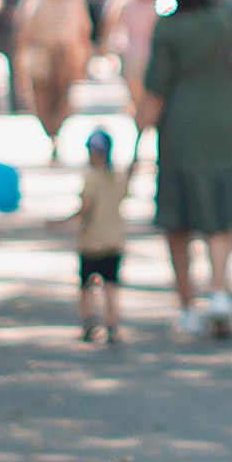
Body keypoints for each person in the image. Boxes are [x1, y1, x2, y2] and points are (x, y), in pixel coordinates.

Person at [139, 0, 232, 340]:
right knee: (219, 216)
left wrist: (139, 130)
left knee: (179, 220)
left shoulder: (170, 25)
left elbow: (155, 87)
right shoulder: (227, 12)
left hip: (181, 124)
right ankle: (221, 294)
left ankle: (188, 306)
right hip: (228, 119)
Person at [53, 126, 130, 345]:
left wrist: (61, 223)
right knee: (111, 284)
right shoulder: (117, 177)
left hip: (91, 241)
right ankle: (112, 322)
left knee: (86, 285)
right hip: (114, 239)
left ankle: (88, 321)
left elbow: (85, 208)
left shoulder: (91, 179)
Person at [17, 0, 94, 161]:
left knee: (63, 99)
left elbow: (84, 31)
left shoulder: (75, 0)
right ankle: (50, 134)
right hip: (42, 53)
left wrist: (84, 60)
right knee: (41, 98)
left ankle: (56, 134)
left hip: (66, 53)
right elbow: (25, 31)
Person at [101, 0, 163, 165]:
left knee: (140, 105)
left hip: (134, 59)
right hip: (144, 58)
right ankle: (143, 142)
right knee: (148, 103)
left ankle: (140, 143)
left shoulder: (131, 6)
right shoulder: (154, 7)